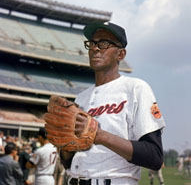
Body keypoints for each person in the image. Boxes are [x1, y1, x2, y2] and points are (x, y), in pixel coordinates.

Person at [54, 22, 166, 185]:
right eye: (92, 43)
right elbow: (70, 163)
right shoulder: (81, 98)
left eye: (104, 43)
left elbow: (154, 156)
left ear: (121, 54)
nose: (95, 48)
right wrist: (65, 147)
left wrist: (100, 135)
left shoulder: (135, 88)